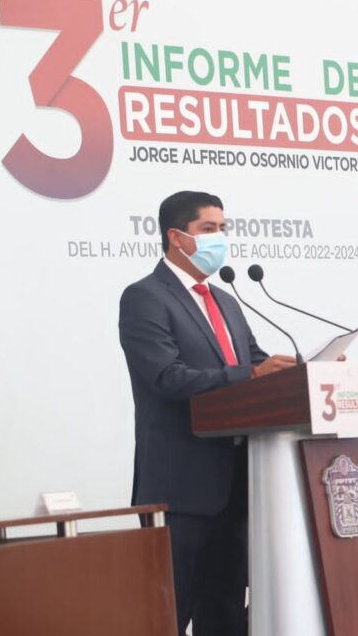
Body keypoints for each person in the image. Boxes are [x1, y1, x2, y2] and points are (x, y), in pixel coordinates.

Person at [119, 191, 298, 636]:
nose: (220, 237)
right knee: (168, 614)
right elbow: (166, 378)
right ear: (176, 237)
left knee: (225, 614)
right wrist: (251, 373)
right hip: (180, 487)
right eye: (209, 229)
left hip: (235, 485)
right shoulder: (145, 297)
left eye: (223, 227)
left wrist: (303, 371)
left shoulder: (226, 301)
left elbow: (255, 362)